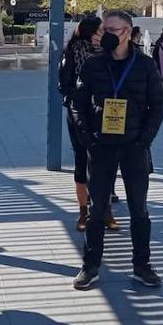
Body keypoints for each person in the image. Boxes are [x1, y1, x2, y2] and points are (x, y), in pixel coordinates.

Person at [71, 10, 163, 290]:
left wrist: (144, 141)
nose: (105, 36)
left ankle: (142, 265)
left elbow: (157, 106)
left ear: (127, 32)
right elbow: (78, 104)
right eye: (104, 30)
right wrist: (88, 139)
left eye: (111, 30)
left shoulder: (145, 66)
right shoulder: (92, 65)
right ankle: (90, 266)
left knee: (139, 209)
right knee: (96, 210)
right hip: (101, 147)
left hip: (134, 147)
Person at [58, 17, 118, 233]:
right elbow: (63, 85)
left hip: (105, 114)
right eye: (100, 30)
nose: (103, 33)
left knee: (107, 161)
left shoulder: (106, 52)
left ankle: (105, 209)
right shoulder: (71, 52)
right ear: (89, 32)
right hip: (80, 115)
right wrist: (84, 97)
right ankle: (84, 211)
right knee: (82, 161)